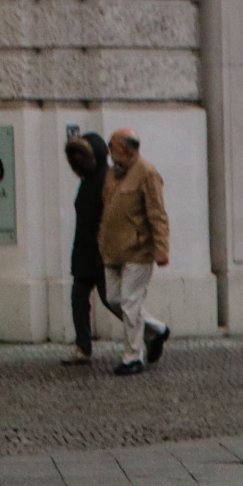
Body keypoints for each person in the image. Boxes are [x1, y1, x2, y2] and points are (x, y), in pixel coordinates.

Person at [100, 128, 171, 377]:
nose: (110, 153)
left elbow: (157, 214)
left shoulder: (147, 173)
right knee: (113, 300)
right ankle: (157, 330)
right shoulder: (112, 174)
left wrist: (162, 248)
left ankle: (133, 356)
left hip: (138, 250)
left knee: (130, 303)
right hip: (111, 250)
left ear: (127, 149)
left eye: (112, 147)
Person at [62, 132, 119, 365]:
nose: (76, 162)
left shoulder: (107, 181)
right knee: (78, 298)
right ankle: (83, 347)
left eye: (80, 156)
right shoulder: (87, 181)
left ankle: (150, 330)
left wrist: (102, 252)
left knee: (112, 299)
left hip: (99, 253)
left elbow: (109, 220)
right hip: (84, 253)